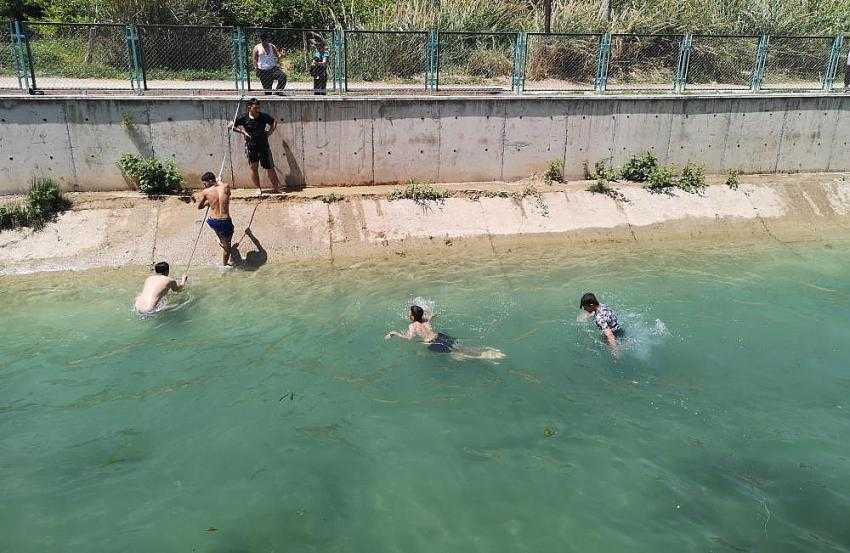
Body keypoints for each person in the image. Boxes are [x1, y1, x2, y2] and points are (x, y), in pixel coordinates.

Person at [385, 305, 505, 360]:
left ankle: (482, 357)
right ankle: (486, 352)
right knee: (462, 348)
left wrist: (395, 333)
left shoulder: (412, 326)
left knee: (459, 354)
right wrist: (433, 313)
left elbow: (409, 338)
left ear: (412, 316)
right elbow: (432, 317)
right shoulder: (426, 320)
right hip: (441, 336)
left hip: (432, 343)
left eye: (409, 313)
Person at [232, 98, 281, 193]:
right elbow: (231, 125)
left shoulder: (263, 116)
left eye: (259, 107)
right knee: (254, 168)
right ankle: (258, 188)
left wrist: (270, 132)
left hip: (264, 145)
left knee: (270, 167)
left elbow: (274, 122)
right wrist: (242, 132)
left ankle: (276, 188)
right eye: (255, 108)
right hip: (251, 146)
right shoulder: (243, 117)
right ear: (249, 107)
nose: (258, 110)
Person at [197, 171, 235, 266]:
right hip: (225, 221)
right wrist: (219, 182)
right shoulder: (226, 186)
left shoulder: (206, 192)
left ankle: (221, 240)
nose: (204, 185)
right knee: (227, 247)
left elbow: (199, 206)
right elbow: (227, 194)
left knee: (222, 230)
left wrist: (209, 203)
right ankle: (224, 265)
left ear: (210, 181)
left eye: (205, 183)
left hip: (213, 221)